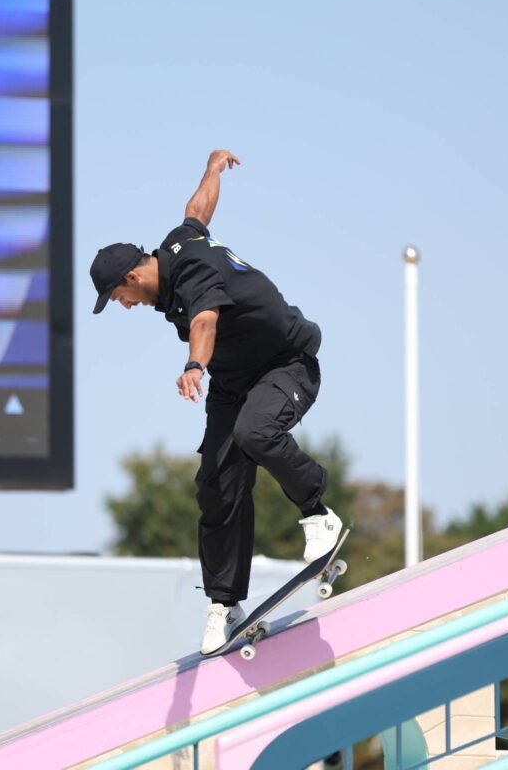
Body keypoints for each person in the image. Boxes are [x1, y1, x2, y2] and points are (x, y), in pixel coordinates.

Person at [90, 149, 343, 654]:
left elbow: (205, 319)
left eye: (117, 296)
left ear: (132, 278)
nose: (123, 306)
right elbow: (198, 212)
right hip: (235, 381)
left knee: (257, 433)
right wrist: (211, 170)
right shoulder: (178, 243)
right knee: (216, 485)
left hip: (285, 364)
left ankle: (319, 514)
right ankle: (225, 604)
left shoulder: (191, 280)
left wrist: (193, 366)